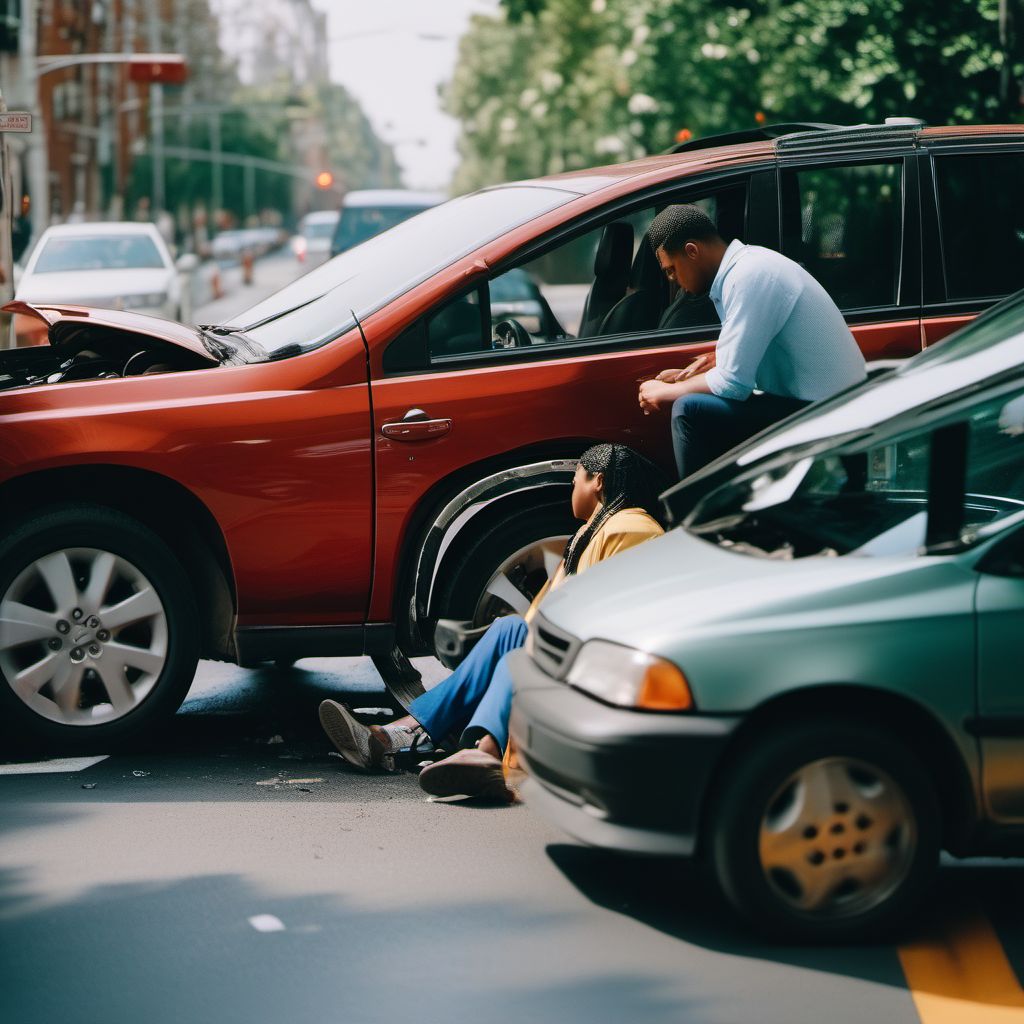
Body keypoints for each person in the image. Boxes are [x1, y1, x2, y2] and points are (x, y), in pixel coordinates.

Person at [318, 444, 665, 802]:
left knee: (519, 638)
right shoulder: (592, 533)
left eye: (575, 480)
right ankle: (400, 737)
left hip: (599, 665)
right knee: (510, 630)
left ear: (598, 481)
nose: (571, 491)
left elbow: (618, 617)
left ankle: (475, 750)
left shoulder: (632, 527)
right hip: (567, 653)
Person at [637, 204, 866, 479]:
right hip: (816, 405)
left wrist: (663, 392)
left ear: (692, 251)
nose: (673, 281)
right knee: (697, 402)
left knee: (688, 410)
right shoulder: (746, 267)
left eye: (671, 270)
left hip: (831, 415)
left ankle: (699, 519)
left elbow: (733, 384)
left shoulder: (750, 276)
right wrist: (694, 376)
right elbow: (740, 363)